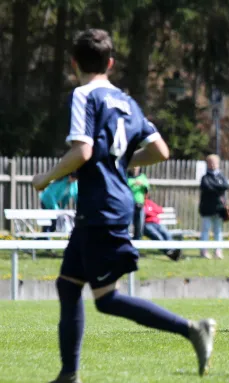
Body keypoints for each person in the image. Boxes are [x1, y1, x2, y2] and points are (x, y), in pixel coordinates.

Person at [31, 29, 216, 383]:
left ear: (73, 63)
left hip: (101, 205)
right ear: (111, 63)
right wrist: (123, 162)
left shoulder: (84, 95)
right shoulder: (126, 101)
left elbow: (82, 151)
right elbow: (161, 151)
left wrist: (47, 177)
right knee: (68, 285)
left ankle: (193, 329)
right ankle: (68, 374)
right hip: (107, 204)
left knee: (106, 298)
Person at [199, 154, 229, 259]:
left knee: (218, 231)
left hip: (219, 209)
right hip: (207, 209)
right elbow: (207, 187)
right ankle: (204, 251)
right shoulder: (205, 177)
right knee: (205, 230)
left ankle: (218, 251)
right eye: (210, 162)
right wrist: (218, 188)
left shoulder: (221, 176)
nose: (213, 165)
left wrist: (215, 187)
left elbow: (226, 186)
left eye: (215, 162)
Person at [143, 195, 182, 261]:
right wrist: (152, 211)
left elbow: (159, 210)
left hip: (157, 223)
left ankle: (173, 250)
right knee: (158, 237)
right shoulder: (140, 204)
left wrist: (150, 211)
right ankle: (169, 252)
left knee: (167, 234)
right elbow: (145, 212)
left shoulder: (150, 202)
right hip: (147, 224)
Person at [127, 166, 149, 240]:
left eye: (137, 167)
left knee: (139, 226)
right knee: (128, 226)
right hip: (129, 205)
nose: (135, 168)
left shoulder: (142, 177)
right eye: (134, 166)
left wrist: (141, 184)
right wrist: (133, 183)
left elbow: (147, 187)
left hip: (140, 204)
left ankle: (137, 245)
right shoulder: (127, 176)